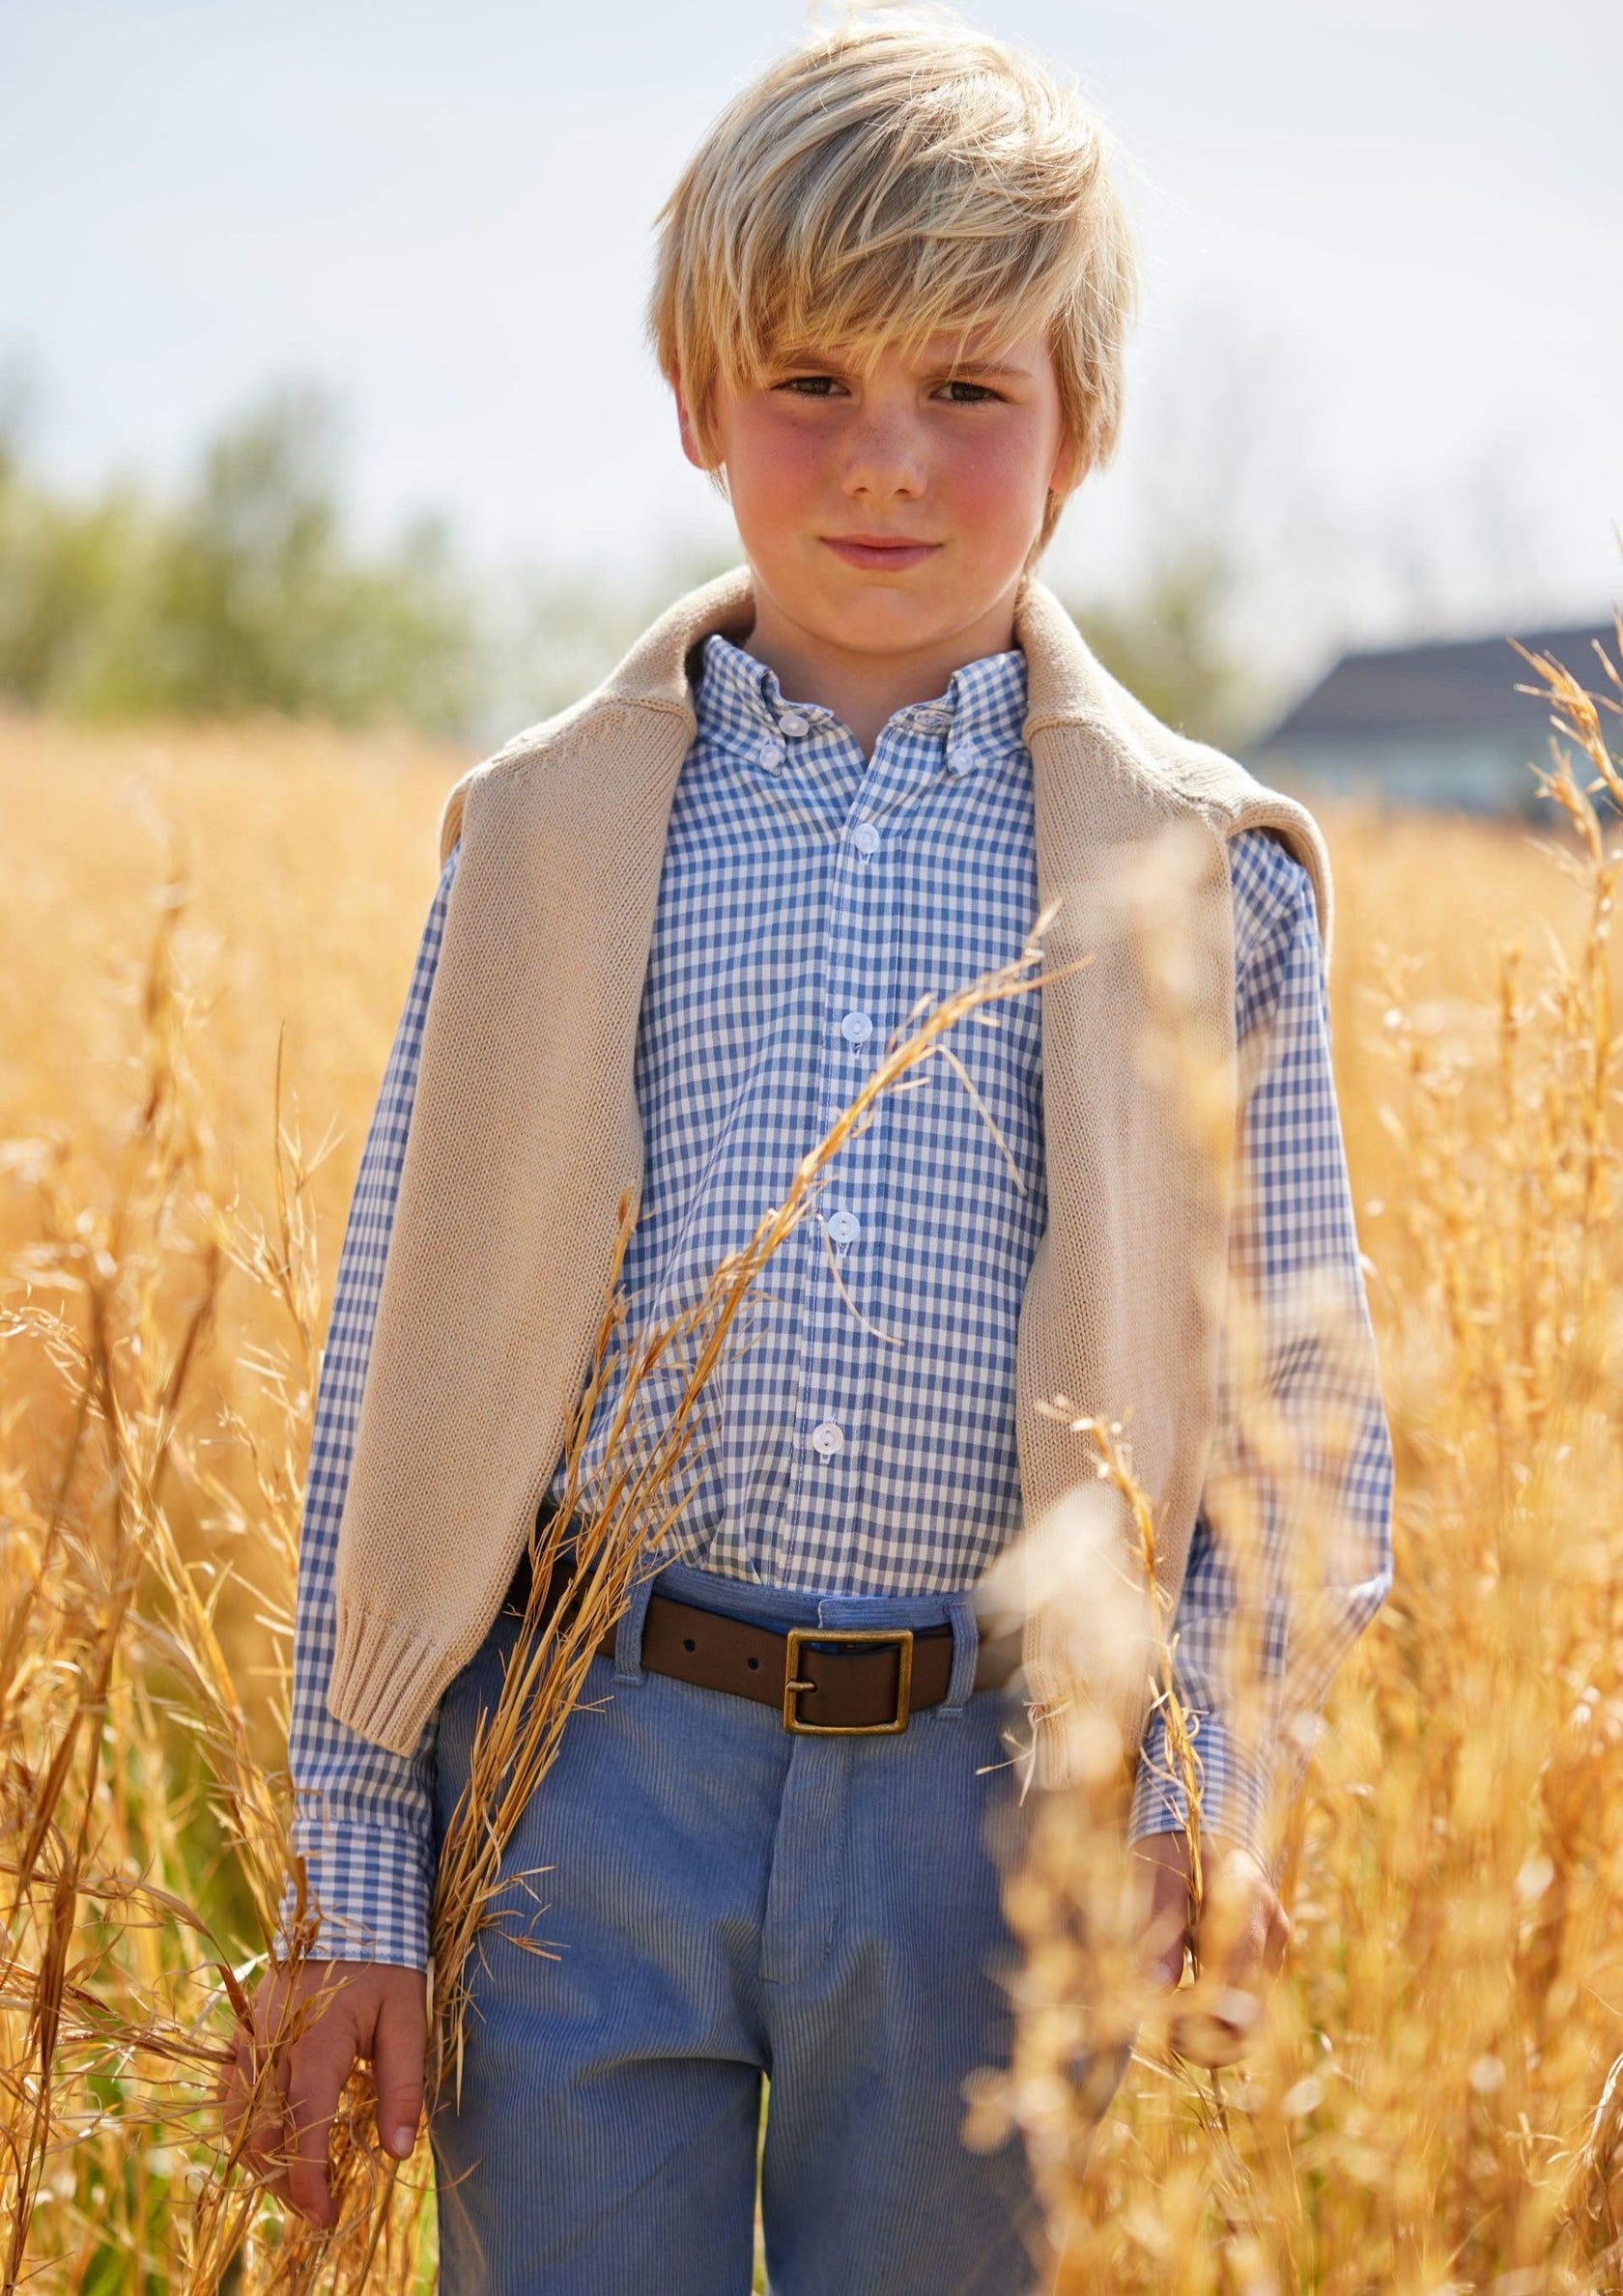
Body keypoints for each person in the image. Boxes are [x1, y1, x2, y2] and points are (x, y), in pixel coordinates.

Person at [225, 15, 1393, 2292]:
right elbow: (400, 1352)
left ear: (1082, 425)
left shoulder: (1200, 869)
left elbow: (1293, 1407)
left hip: (995, 1803)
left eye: (968, 387)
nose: (887, 460)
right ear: (694, 402)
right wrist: (356, 1846)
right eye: (810, 381)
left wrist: (1211, 1784)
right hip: (582, 1770)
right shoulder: (546, 831)